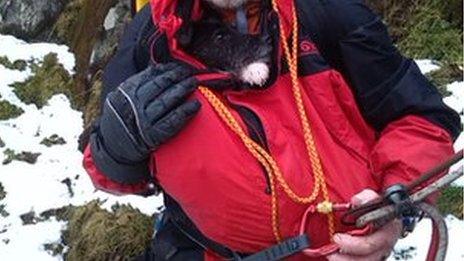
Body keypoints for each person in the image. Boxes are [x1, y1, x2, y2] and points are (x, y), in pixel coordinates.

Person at [82, 0, 461, 260]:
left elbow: (421, 118)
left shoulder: (328, 13)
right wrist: (116, 151)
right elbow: (106, 168)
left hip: (343, 250)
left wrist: (396, 210)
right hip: (200, 250)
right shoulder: (151, 37)